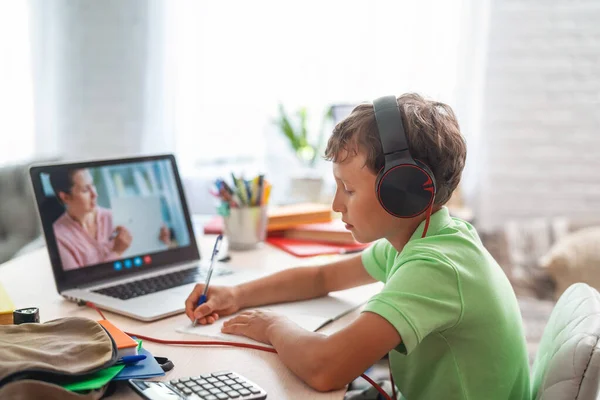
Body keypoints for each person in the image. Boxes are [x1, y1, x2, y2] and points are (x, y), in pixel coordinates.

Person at [185, 94, 531, 399]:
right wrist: (236, 294)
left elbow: (326, 369)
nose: (337, 204)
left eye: (348, 189)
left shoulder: (436, 265)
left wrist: (273, 326)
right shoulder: (423, 238)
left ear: (401, 189)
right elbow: (321, 277)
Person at [51, 168, 171, 270]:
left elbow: (146, 259)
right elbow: (78, 284)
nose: (95, 194)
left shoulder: (114, 216)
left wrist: (160, 243)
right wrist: (116, 253)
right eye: (85, 190)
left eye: (93, 185)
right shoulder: (59, 237)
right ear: (65, 197)